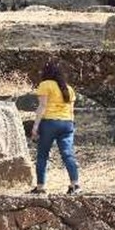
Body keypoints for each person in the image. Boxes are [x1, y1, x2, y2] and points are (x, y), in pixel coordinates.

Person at [29, 60, 81, 195]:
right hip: (67, 123)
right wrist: (71, 125)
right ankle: (75, 184)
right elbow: (71, 110)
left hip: (50, 123)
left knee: (42, 155)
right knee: (68, 154)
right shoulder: (68, 88)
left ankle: (40, 187)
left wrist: (35, 126)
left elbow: (43, 106)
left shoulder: (45, 85)